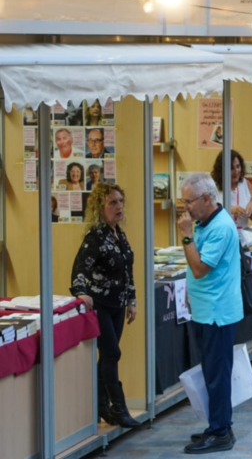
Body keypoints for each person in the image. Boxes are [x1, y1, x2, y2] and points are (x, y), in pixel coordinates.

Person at [177, 173, 243, 453]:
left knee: (217, 375)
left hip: (218, 313)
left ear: (206, 198)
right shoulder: (205, 223)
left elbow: (199, 268)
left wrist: (186, 236)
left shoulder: (220, 228)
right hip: (206, 309)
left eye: (188, 202)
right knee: (211, 373)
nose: (185, 208)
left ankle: (220, 432)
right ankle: (220, 424)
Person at [70, 182, 140, 429]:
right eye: (112, 202)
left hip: (117, 305)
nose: (119, 206)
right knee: (112, 353)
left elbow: (127, 270)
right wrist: (81, 293)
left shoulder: (119, 234)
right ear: (100, 208)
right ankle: (119, 408)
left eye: (120, 201)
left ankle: (100, 405)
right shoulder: (95, 237)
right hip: (99, 305)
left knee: (108, 356)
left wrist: (132, 299)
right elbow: (79, 269)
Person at [211, 150, 252, 230]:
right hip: (221, 234)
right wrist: (228, 209)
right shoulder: (213, 186)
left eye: (238, 166)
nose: (236, 171)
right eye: (231, 168)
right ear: (222, 169)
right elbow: (206, 215)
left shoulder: (246, 183)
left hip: (242, 235)